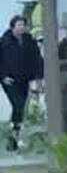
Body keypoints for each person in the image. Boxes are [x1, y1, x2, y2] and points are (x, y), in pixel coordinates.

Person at [0, 16, 43, 150]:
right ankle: (14, 134)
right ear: (12, 27)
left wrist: (39, 77)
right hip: (10, 80)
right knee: (17, 104)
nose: (21, 27)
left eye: (23, 25)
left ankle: (14, 134)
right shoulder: (4, 41)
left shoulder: (29, 41)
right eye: (19, 25)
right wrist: (2, 76)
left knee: (21, 107)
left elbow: (37, 59)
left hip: (24, 79)